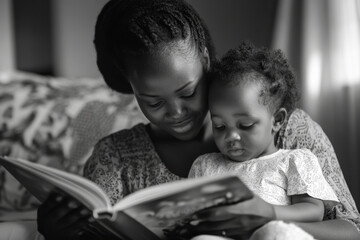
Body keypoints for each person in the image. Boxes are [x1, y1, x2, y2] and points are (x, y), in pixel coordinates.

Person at [36, 0, 360, 239]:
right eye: (153, 101)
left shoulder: (290, 129)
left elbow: (351, 228)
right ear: (131, 88)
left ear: (205, 61)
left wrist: (271, 222)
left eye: (187, 92)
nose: (176, 112)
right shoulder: (115, 157)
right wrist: (59, 232)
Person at [187, 41, 339, 239]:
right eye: (220, 126)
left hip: (271, 232)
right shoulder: (205, 166)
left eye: (245, 125)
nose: (231, 136)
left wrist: (270, 213)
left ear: (277, 121)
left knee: (277, 232)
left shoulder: (294, 161)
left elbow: (314, 211)